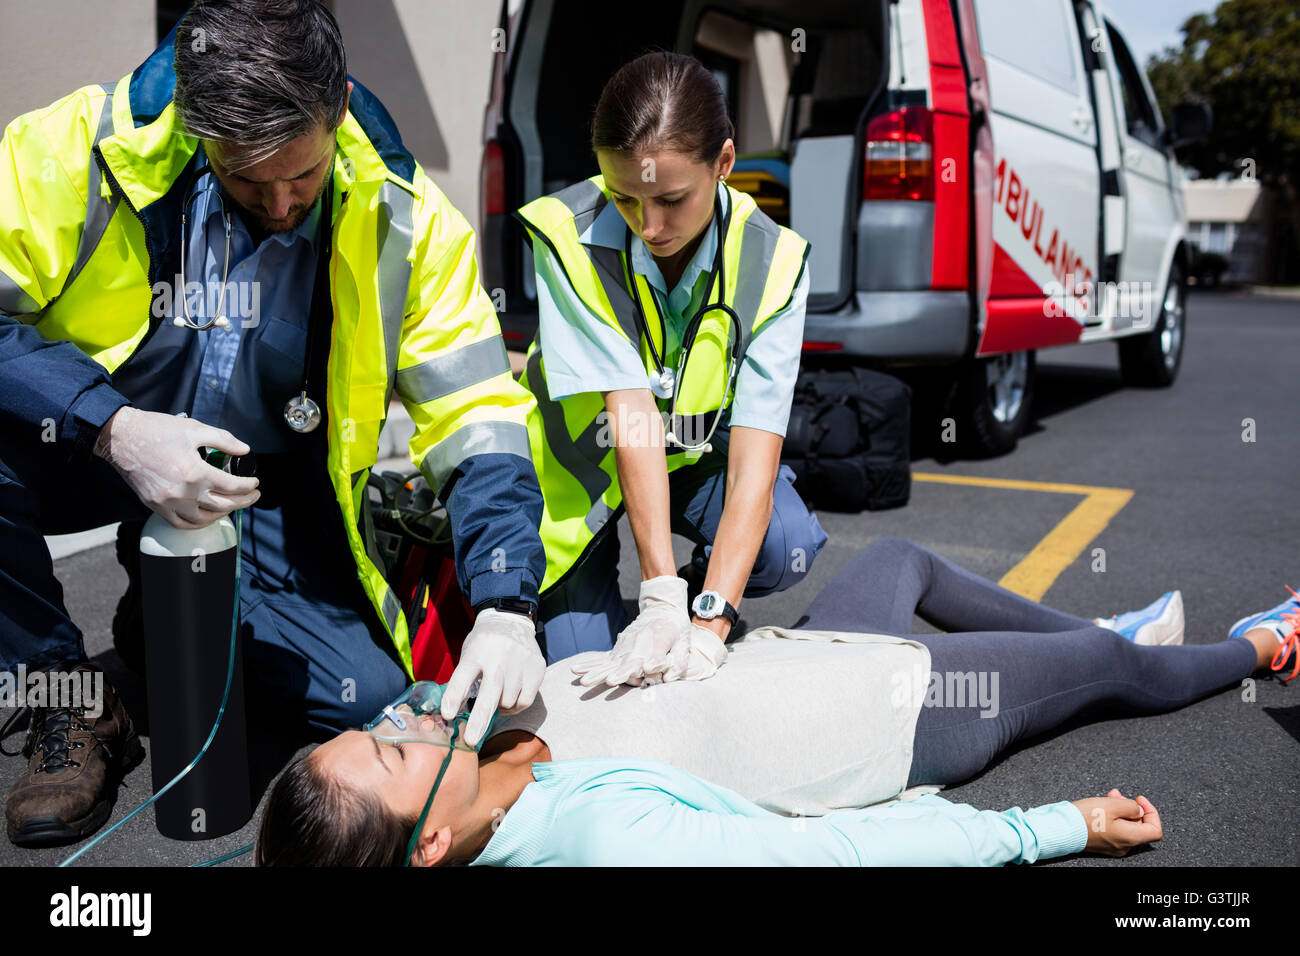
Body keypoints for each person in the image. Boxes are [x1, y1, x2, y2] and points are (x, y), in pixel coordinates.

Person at [0, 0, 548, 848]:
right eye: (251, 182)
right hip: (91, 444)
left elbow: (477, 410)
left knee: (365, 702)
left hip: (264, 482)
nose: (286, 203)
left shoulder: (406, 212)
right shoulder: (69, 153)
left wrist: (507, 601)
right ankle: (65, 700)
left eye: (305, 174)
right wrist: (110, 426)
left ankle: (169, 611)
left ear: (336, 111)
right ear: (195, 127)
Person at [254, 537, 1299, 866]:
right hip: (902, 706)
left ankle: (1088, 636)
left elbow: (425, 712)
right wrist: (1049, 826)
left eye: (374, 723)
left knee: (898, 555)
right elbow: (832, 859)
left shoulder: (470, 732)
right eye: (389, 751)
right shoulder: (603, 836)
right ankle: (1259, 638)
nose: (403, 718)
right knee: (1116, 674)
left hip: (805, 650)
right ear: (430, 842)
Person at [512, 51, 828, 679]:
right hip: (581, 472)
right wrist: (658, 595)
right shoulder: (567, 239)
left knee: (785, 547)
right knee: (581, 678)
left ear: (725, 164)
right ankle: (640, 604)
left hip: (686, 462)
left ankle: (688, 602)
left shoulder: (775, 264)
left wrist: (707, 621)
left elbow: (752, 469)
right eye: (625, 199)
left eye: (672, 199)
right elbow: (630, 417)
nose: (650, 226)